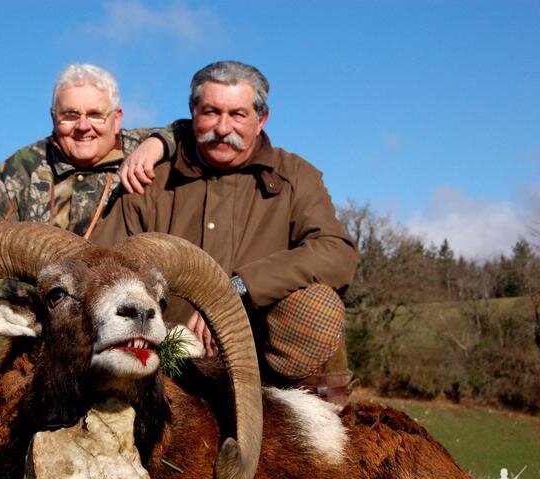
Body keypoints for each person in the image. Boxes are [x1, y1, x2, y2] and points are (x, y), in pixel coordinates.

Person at [92, 60, 360, 404]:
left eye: (237, 114)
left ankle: (312, 416)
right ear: (192, 113)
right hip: (166, 358)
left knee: (317, 305)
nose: (222, 127)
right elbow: (102, 263)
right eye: (210, 112)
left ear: (261, 119)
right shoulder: (150, 179)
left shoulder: (297, 176)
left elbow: (336, 253)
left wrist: (237, 289)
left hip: (263, 361)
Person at [0, 63, 176, 301]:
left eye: (96, 114)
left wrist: (159, 142)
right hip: (48, 321)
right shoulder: (17, 171)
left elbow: (196, 128)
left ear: (117, 118)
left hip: (130, 310)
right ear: (53, 117)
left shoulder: (142, 147)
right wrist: (53, 295)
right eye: (70, 115)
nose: (83, 126)